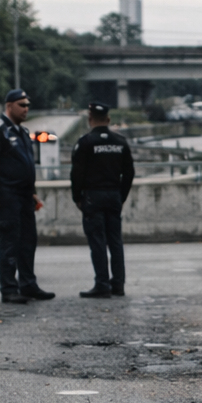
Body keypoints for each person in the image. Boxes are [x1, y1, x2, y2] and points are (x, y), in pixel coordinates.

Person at [0, 89, 53, 303]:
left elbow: (26, 166)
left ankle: (28, 284)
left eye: (28, 105)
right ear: (9, 106)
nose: (26, 109)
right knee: (10, 242)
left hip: (24, 196)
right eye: (22, 105)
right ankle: (9, 289)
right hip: (7, 195)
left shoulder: (21, 132)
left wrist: (33, 193)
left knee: (28, 241)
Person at [70, 102, 136, 298]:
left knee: (98, 241)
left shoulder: (85, 143)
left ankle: (102, 284)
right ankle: (118, 285)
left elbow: (76, 174)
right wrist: (121, 196)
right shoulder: (120, 142)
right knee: (115, 241)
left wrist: (77, 198)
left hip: (93, 197)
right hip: (114, 195)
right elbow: (129, 173)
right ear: (108, 120)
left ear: (90, 119)